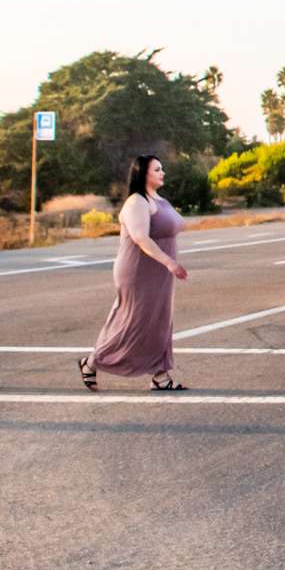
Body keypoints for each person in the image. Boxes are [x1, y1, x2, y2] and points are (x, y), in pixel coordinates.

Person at [80, 154, 190, 392]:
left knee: (159, 321)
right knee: (133, 321)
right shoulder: (137, 202)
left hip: (158, 270)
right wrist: (169, 262)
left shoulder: (158, 199)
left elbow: (175, 225)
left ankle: (161, 376)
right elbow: (140, 238)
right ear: (143, 174)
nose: (163, 173)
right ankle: (91, 362)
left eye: (163, 169)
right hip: (139, 269)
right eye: (157, 169)